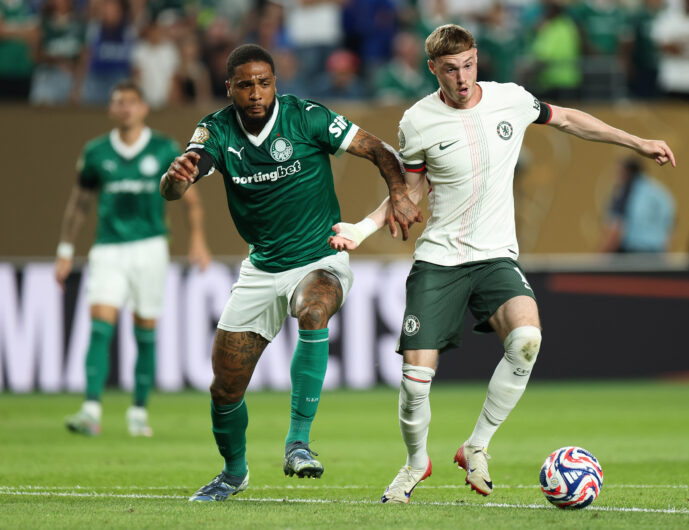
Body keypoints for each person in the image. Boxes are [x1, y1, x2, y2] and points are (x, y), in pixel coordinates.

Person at [328, 23, 675, 504]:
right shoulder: (417, 121)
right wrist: (361, 230)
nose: (463, 77)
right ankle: (414, 464)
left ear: (477, 61)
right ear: (433, 70)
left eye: (469, 65)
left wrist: (636, 141)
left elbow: (570, 119)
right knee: (415, 382)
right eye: (451, 69)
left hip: (495, 256)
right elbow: (409, 192)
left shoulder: (510, 98)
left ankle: (477, 445)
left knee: (527, 338)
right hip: (440, 259)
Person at [160, 44, 421, 502]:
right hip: (261, 269)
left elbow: (378, 149)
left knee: (314, 309)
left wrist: (399, 193)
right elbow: (178, 183)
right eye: (245, 85)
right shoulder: (217, 130)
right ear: (230, 89)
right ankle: (233, 474)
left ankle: (298, 443)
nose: (256, 92)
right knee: (224, 387)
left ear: (275, 82)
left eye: (264, 82)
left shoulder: (307, 118)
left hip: (320, 258)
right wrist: (175, 179)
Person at [57, 80, 211, 437]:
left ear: (143, 108)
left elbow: (190, 201)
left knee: (145, 331)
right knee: (100, 327)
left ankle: (138, 411)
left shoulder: (163, 149)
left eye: (131, 102)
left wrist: (199, 241)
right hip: (108, 248)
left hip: (151, 248)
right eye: (118, 102)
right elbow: (79, 204)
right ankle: (91, 410)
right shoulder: (96, 152)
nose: (125, 108)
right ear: (112, 109)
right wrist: (65, 250)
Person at [601, 157, 676, 253]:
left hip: (632, 256)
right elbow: (670, 231)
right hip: (657, 256)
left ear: (626, 173)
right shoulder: (660, 193)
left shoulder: (627, 192)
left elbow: (615, 230)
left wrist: (599, 261)